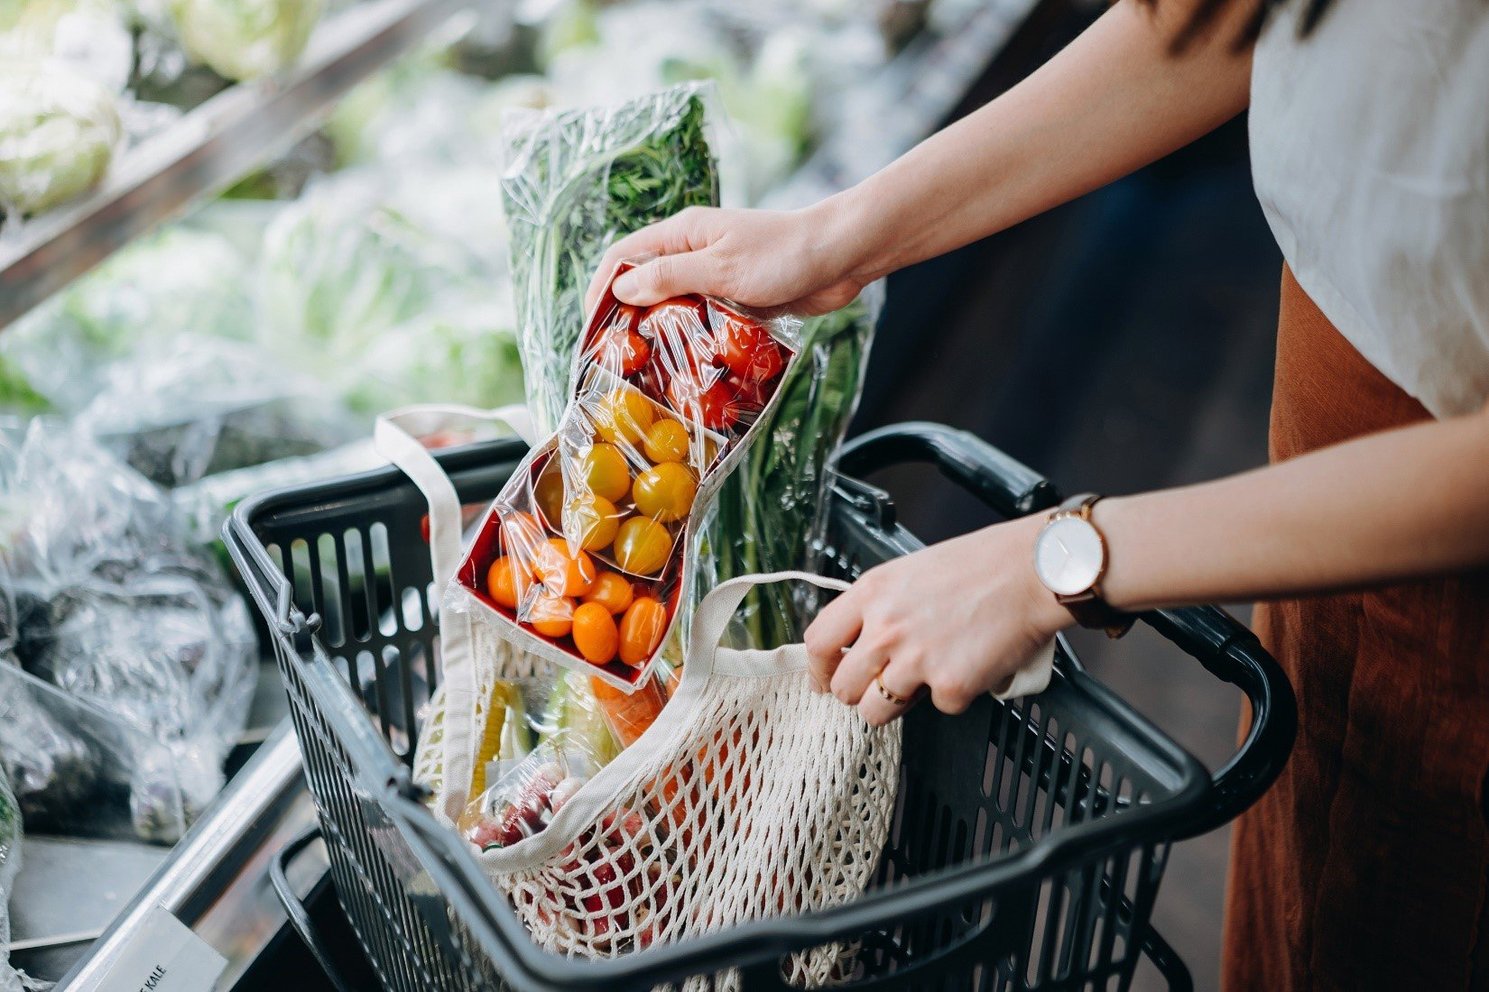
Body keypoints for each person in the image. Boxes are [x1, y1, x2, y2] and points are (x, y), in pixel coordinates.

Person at [586, 0, 1489, 986]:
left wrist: (1055, 560)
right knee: (1313, 885)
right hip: (1336, 370)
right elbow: (1224, 23)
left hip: (1447, 511)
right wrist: (835, 239)